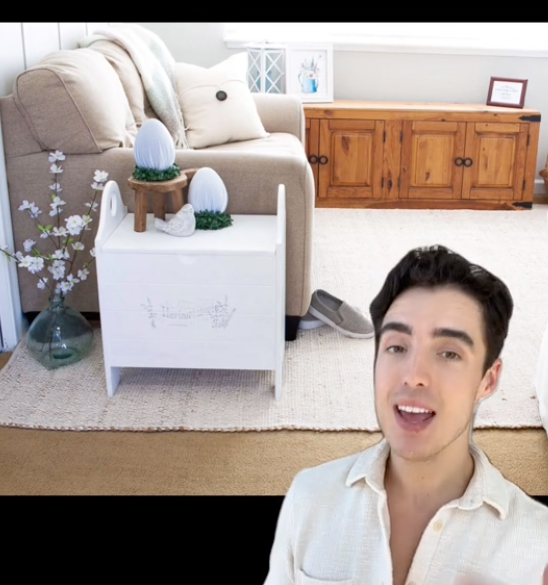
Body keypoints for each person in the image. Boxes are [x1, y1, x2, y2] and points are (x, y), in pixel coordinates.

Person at [263, 244, 548, 585]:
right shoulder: (309, 497)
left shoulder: (536, 544)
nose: (414, 374)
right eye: (397, 347)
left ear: (488, 380)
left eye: (448, 353)